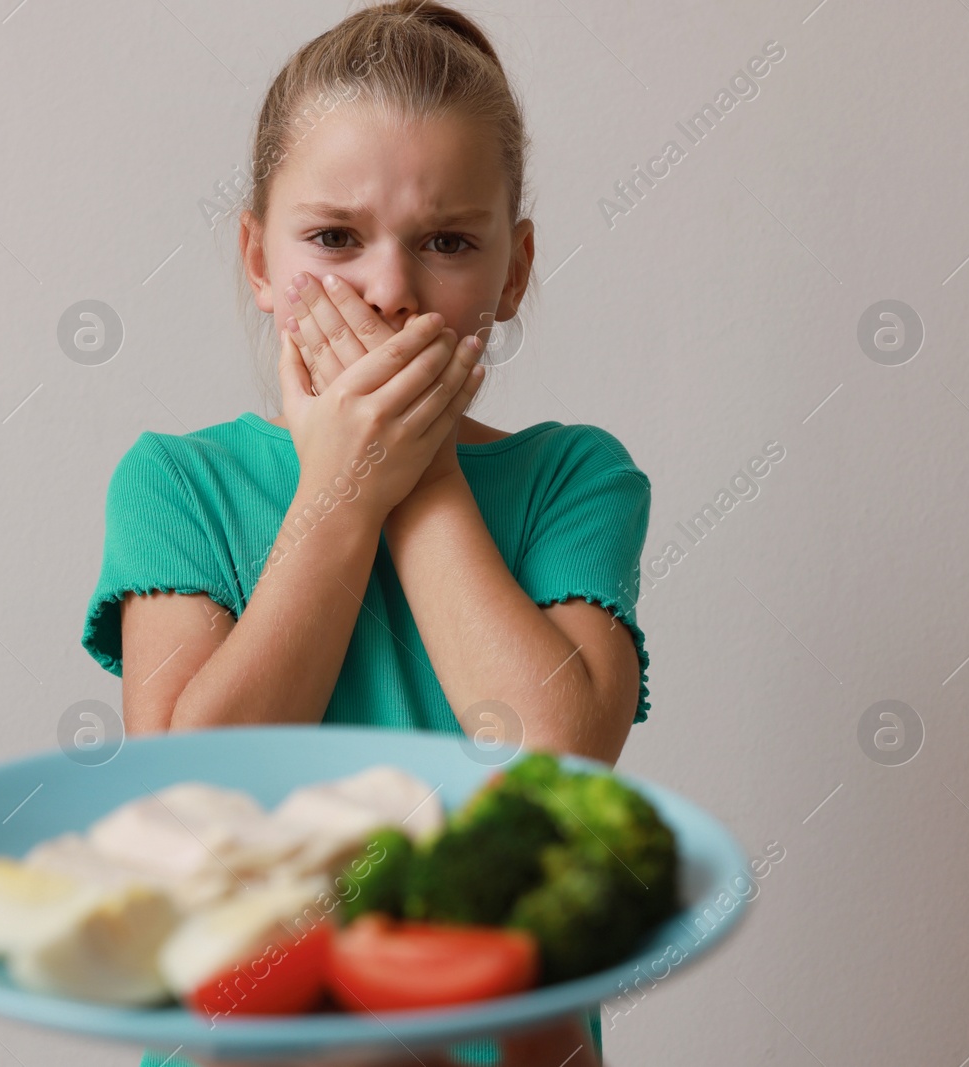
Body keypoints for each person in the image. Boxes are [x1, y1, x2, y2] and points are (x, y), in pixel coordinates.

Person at [80, 3, 654, 1063]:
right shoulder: (178, 482)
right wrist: (339, 495)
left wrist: (416, 471)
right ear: (257, 256)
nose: (388, 290)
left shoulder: (574, 478)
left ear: (512, 269)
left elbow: (556, 758)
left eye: (446, 242)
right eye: (334, 237)